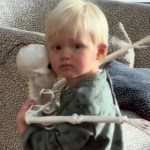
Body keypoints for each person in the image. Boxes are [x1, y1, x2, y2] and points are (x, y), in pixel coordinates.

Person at [16, 0, 126, 149]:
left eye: (76, 46)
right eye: (57, 47)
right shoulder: (94, 81)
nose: (65, 54)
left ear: (99, 52)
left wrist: (27, 130)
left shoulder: (84, 98)